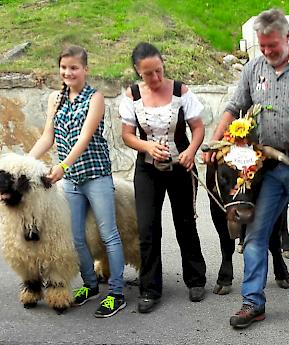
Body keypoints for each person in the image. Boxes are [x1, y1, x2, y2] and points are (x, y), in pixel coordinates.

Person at [206, 8, 289, 330]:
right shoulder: (253, 69)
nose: (267, 52)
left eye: (272, 46)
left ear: (287, 38)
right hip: (266, 166)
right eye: (262, 47)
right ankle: (253, 302)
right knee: (255, 234)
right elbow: (234, 106)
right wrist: (215, 140)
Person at [28, 45, 127, 318]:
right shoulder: (55, 99)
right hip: (70, 180)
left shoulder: (95, 98)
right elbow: (48, 136)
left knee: (109, 235)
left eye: (74, 68)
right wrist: (25, 163)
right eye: (64, 68)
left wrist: (62, 165)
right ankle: (90, 285)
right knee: (75, 237)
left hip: (95, 175)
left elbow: (85, 137)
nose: (68, 72)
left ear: (85, 69)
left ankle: (117, 293)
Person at [119, 42, 207, 313]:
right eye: (148, 74)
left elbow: (198, 128)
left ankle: (195, 279)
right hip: (147, 169)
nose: (155, 78)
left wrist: (191, 151)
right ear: (137, 71)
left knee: (185, 223)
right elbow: (127, 135)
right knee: (147, 228)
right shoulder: (132, 95)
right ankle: (150, 289)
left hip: (180, 165)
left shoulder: (181, 91)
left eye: (158, 71)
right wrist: (146, 146)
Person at [207, 166, 289, 295]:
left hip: (258, 152)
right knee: (218, 200)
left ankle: (277, 256)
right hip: (224, 148)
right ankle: (226, 262)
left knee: (272, 199)